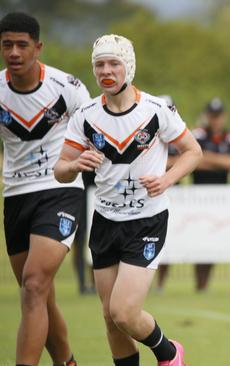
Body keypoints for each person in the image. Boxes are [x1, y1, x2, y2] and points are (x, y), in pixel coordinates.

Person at [54, 34, 202, 366]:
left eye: (113, 64)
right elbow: (60, 170)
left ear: (128, 67)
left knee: (123, 311)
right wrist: (75, 165)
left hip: (147, 221)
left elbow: (193, 152)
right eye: (99, 65)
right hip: (105, 221)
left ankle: (168, 352)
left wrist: (166, 178)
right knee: (110, 318)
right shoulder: (86, 115)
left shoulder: (156, 110)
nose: (106, 71)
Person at [0, 12, 90, 366]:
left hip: (60, 190)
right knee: (40, 296)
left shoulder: (67, 88)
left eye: (22, 45)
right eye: (7, 45)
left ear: (38, 47)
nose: (14, 52)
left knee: (34, 285)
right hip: (15, 198)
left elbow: (95, 132)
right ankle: (67, 362)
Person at [157, 96, 230, 292]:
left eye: (218, 116)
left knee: (210, 243)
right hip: (195, 198)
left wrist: (203, 157)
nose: (215, 119)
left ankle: (202, 287)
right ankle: (160, 285)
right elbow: (191, 159)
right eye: (212, 115)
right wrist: (206, 159)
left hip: (219, 199)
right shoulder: (198, 134)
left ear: (224, 117)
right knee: (178, 240)